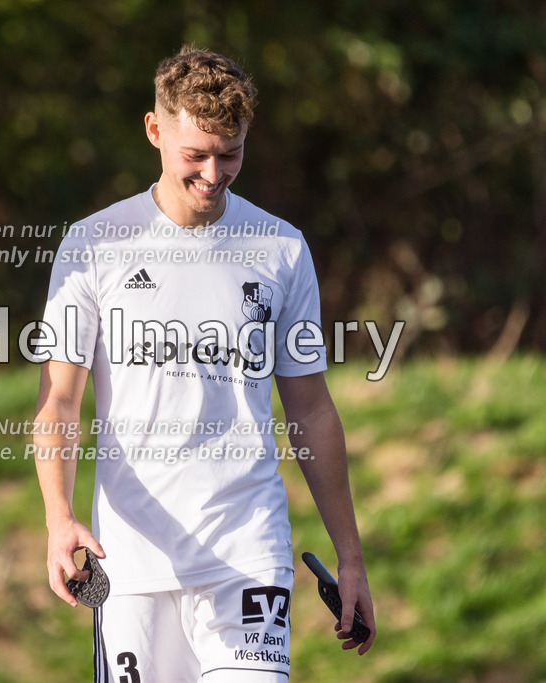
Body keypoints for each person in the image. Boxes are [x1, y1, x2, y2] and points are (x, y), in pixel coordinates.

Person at [33, 45, 376, 681]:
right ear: (154, 130)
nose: (214, 174)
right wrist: (60, 520)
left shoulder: (281, 248)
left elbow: (311, 409)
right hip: (132, 557)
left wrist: (350, 556)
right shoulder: (94, 243)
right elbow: (58, 401)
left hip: (247, 550)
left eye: (231, 153)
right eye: (196, 154)